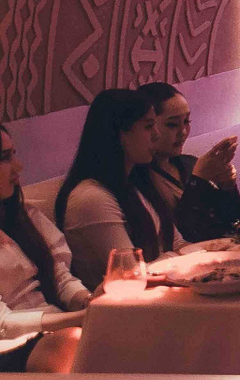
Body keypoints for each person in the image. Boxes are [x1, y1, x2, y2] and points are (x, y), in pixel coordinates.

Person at [54, 90, 184, 289]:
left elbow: (179, 244)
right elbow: (130, 274)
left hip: (161, 292)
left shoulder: (137, 182)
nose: (156, 135)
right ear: (120, 133)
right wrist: (177, 260)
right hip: (122, 303)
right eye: (148, 127)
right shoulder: (91, 197)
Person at [0, 124, 93, 373]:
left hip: (54, 325)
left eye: (14, 154)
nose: (18, 166)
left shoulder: (24, 215)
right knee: (72, 342)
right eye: (5, 158)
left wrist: (88, 301)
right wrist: (77, 320)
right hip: (10, 343)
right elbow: (4, 324)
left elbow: (60, 277)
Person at [135, 82, 240, 243]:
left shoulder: (188, 163)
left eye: (186, 121)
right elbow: (185, 235)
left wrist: (227, 187)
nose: (183, 132)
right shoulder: (138, 179)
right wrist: (198, 180)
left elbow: (236, 222)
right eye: (172, 124)